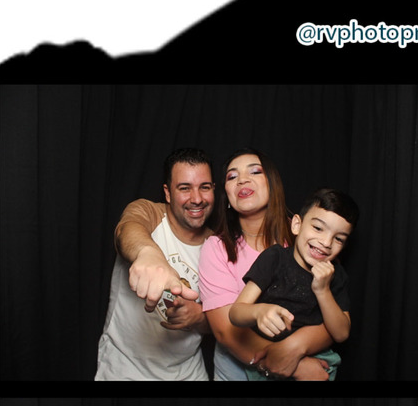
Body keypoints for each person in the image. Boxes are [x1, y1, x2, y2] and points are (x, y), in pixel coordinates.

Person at [118, 150, 334, 380]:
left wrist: (296, 348)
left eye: (255, 171)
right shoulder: (215, 246)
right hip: (133, 367)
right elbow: (128, 228)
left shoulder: (305, 232)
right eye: (232, 176)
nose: (242, 180)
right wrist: (147, 254)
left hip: (193, 372)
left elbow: (336, 311)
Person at [96, 148, 220, 380]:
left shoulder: (218, 246)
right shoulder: (149, 212)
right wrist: (148, 254)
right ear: (168, 193)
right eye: (184, 188)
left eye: (204, 187)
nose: (197, 199)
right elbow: (127, 230)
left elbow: (225, 323)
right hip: (125, 366)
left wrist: (200, 318)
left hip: (188, 371)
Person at [228, 188, 359, 381]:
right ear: (297, 225)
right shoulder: (275, 258)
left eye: (338, 238)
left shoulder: (337, 275)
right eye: (318, 228)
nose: (326, 242)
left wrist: (322, 290)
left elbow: (341, 334)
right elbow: (235, 313)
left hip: (316, 358)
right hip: (267, 356)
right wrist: (258, 311)